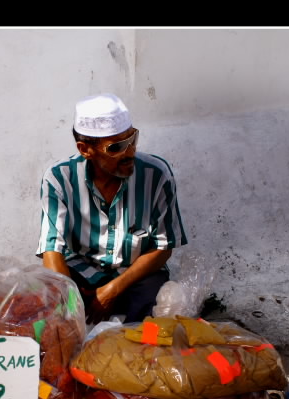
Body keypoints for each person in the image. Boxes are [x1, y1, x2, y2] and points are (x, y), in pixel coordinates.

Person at [36, 93, 188, 324]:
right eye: (117, 147)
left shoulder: (156, 175)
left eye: (132, 139)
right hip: (82, 270)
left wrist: (111, 291)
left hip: (135, 274)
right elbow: (52, 250)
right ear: (85, 149)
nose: (130, 152)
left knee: (153, 309)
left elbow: (162, 247)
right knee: (51, 303)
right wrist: (71, 302)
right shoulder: (59, 178)